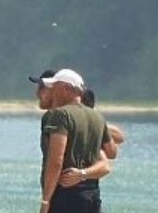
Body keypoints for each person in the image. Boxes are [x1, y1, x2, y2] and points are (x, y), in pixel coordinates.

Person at [31, 68, 115, 213]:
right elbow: (111, 152)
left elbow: (56, 161)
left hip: (65, 194)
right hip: (92, 194)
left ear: (66, 88)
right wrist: (83, 173)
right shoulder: (98, 117)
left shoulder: (60, 115)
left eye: (54, 87)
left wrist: (46, 201)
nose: (51, 91)